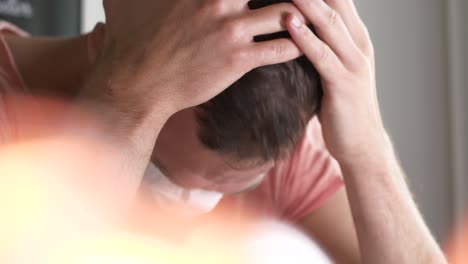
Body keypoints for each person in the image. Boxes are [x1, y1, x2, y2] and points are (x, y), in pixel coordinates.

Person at [0, 0, 447, 263]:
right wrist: (126, 105)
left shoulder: (265, 142)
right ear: (110, 50)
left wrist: (368, 150)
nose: (187, 213)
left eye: (222, 191)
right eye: (157, 171)